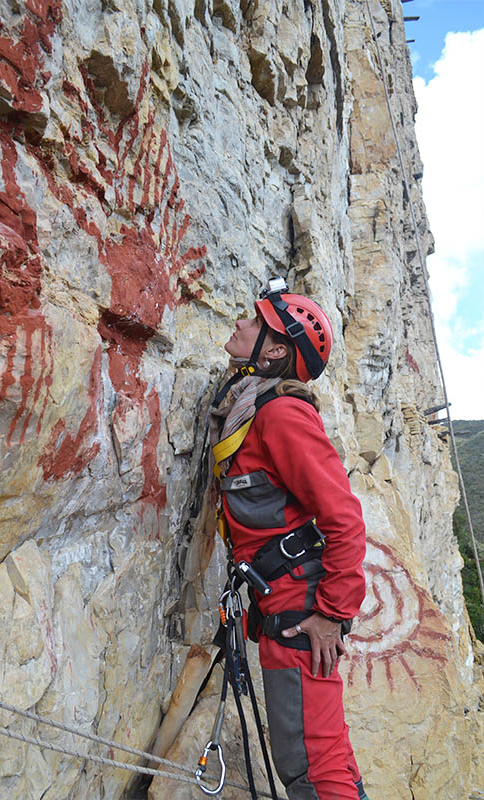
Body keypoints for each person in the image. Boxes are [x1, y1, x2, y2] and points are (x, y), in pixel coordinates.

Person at [210, 277, 370, 800]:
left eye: (255, 321)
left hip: (300, 613)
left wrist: (330, 614)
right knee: (322, 755)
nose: (241, 322)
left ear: (275, 349)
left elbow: (343, 517)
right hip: (284, 604)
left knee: (308, 767)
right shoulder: (256, 408)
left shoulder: (281, 415)